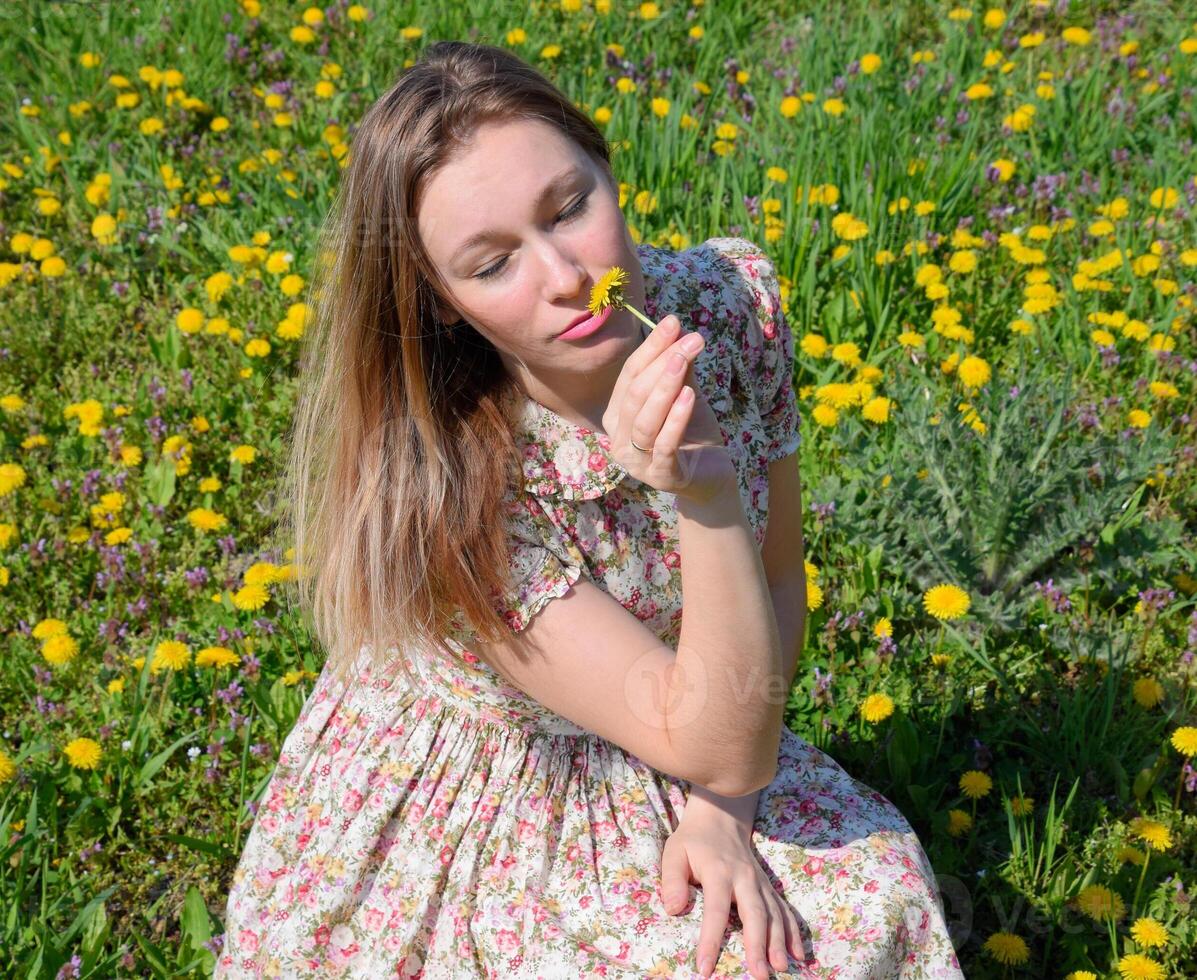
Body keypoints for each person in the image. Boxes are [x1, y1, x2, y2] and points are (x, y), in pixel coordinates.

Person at [215, 40, 963, 980]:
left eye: (569, 208)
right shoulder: (460, 487)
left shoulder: (725, 311)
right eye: (491, 266)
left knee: (860, 909)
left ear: (607, 166)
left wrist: (724, 809)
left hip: (708, 716)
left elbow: (776, 578)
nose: (566, 276)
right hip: (498, 787)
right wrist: (703, 496)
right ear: (442, 305)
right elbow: (700, 732)